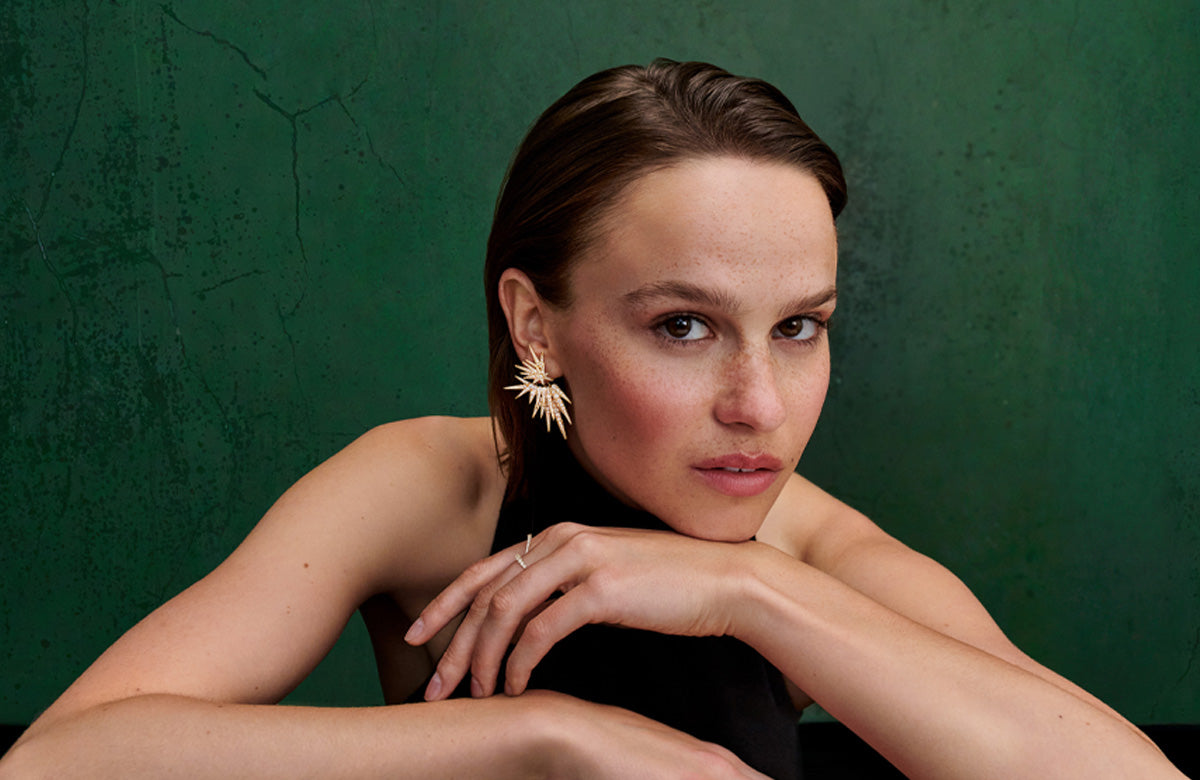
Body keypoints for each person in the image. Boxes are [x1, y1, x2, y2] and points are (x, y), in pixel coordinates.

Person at [0, 59, 1184, 779]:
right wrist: (542, 742)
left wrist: (749, 590)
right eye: (684, 324)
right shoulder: (431, 487)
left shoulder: (810, 544)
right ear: (536, 323)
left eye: (799, 326)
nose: (758, 406)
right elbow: (59, 759)